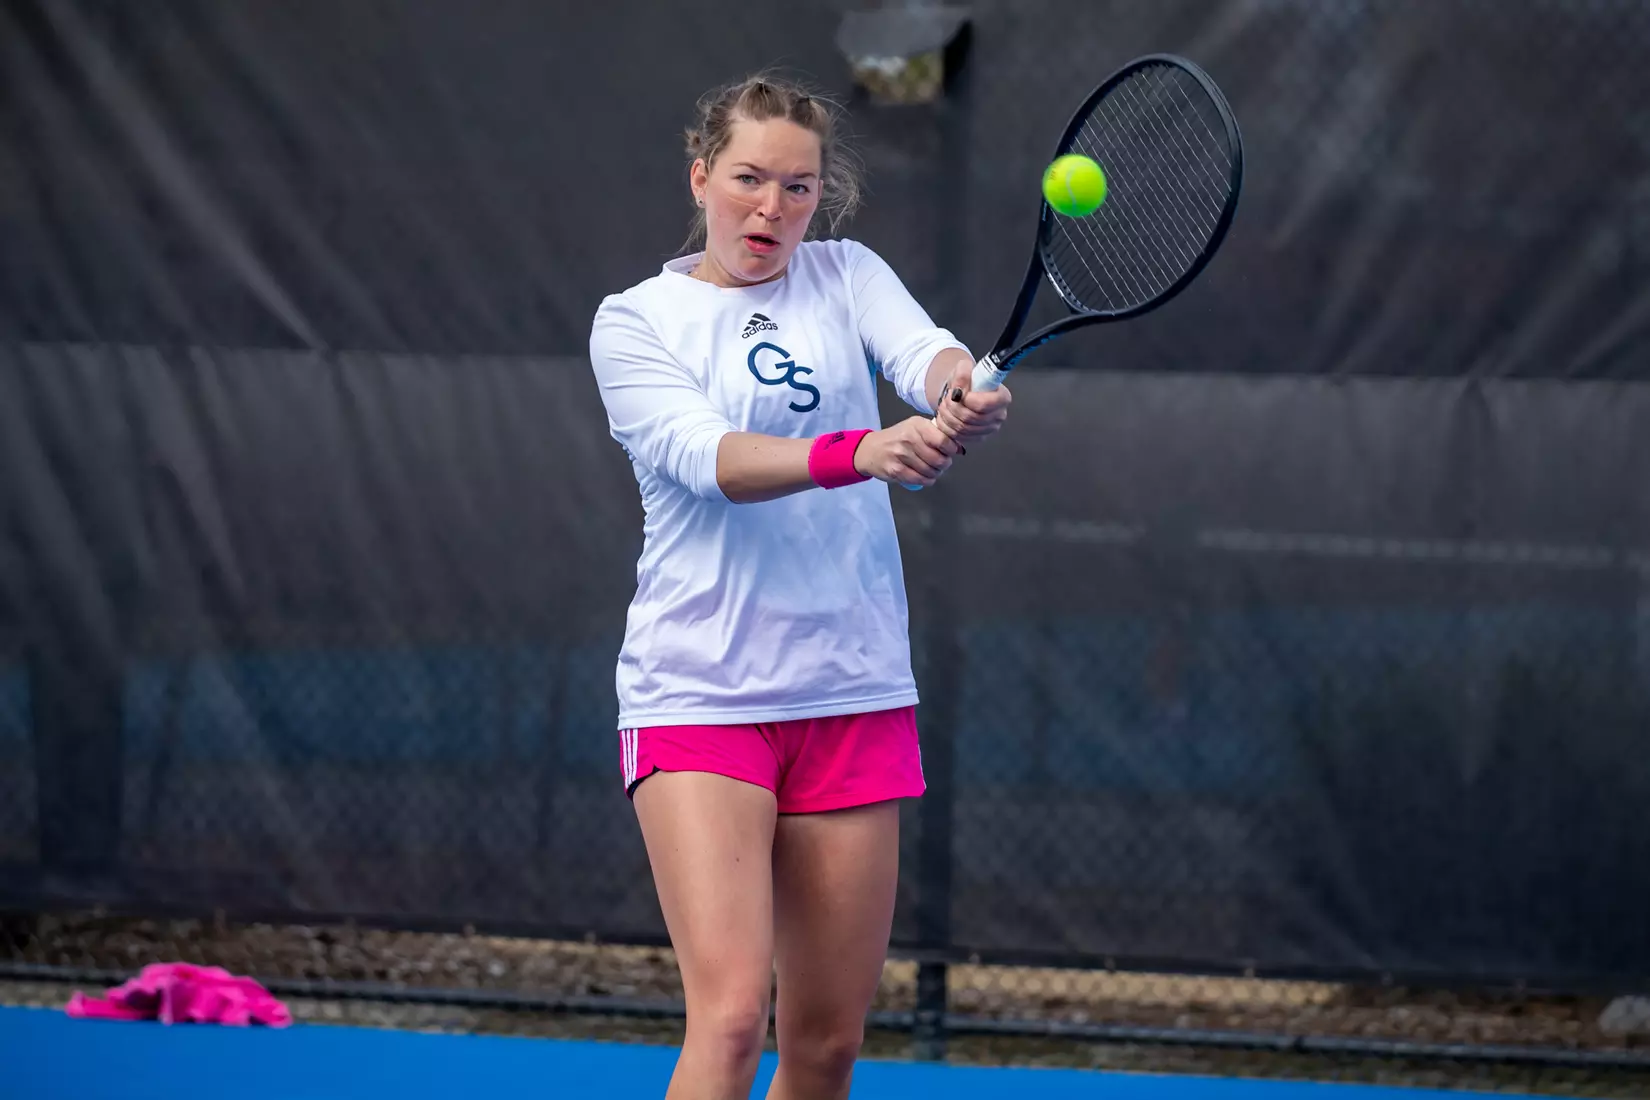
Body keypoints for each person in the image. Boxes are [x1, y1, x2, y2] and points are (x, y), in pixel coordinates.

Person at [587, 72, 1011, 1100]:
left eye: (797, 186)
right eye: (747, 179)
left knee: (824, 1047)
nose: (770, 207)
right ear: (701, 176)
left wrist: (960, 383)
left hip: (850, 687)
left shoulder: (846, 273)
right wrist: (865, 448)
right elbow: (712, 460)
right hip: (700, 693)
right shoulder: (633, 322)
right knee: (732, 1020)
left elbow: (923, 352)